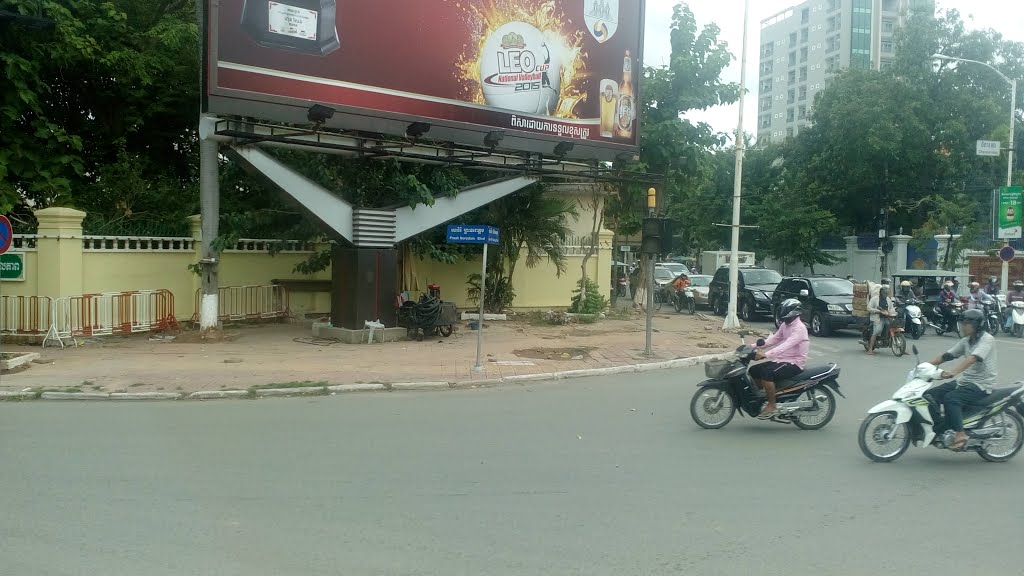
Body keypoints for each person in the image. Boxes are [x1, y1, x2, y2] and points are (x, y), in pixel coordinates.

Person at [925, 308, 996, 451]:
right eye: (962, 323)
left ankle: (960, 434)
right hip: (965, 381)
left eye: (965, 324)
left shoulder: (987, 339)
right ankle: (941, 428)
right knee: (929, 395)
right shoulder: (966, 341)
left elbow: (973, 358)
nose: (962, 326)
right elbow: (947, 355)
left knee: (951, 399)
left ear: (976, 325)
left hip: (981, 384)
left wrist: (953, 372)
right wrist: (925, 365)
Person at [751, 298, 808, 419]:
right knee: (753, 370)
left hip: (794, 363)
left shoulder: (799, 328)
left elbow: (785, 345)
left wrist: (765, 354)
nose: (784, 318)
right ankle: (764, 396)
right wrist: (752, 347)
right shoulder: (785, 324)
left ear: (794, 313)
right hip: (781, 360)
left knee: (767, 373)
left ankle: (772, 404)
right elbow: (775, 339)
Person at [866, 284, 897, 355]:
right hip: (877, 318)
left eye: (886, 293)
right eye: (884, 293)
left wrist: (892, 312)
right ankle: (870, 349)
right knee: (877, 331)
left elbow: (891, 308)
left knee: (891, 326)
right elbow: (869, 308)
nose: (885, 294)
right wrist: (878, 311)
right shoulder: (874, 299)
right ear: (881, 292)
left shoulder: (888, 299)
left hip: (887, 318)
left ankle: (885, 339)